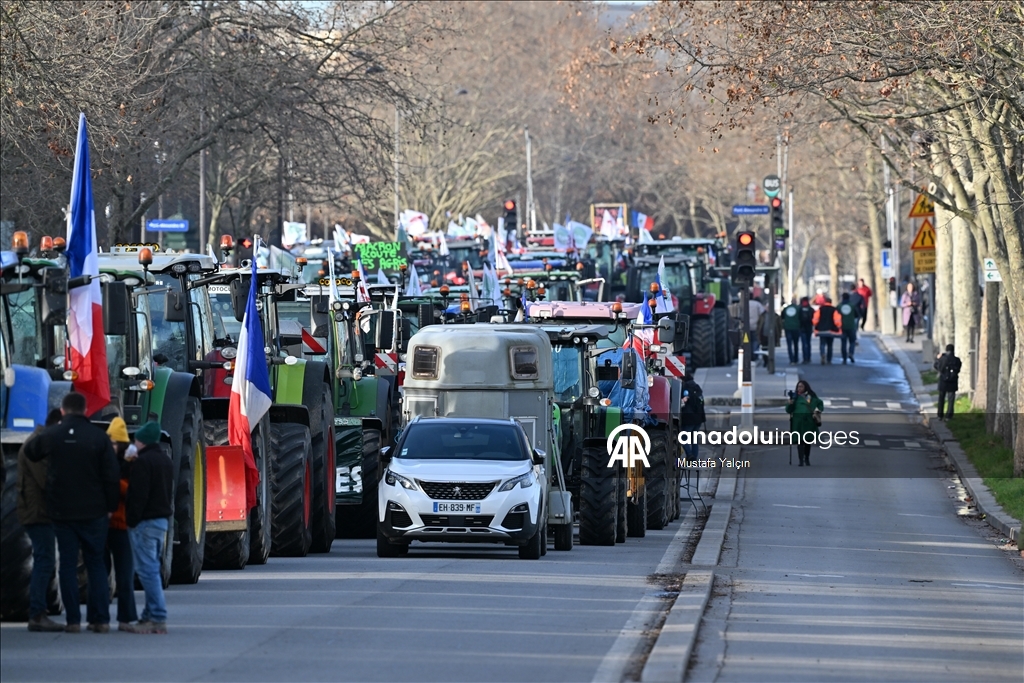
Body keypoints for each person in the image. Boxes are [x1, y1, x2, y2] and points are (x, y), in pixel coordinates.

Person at [24, 392, 119, 634]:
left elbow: (31, 452)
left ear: (63, 412)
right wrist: (110, 507)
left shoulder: (52, 435)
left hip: (62, 511)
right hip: (95, 511)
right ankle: (100, 620)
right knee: (96, 562)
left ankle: (74, 621)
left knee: (66, 564)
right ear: (86, 410)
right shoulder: (99, 437)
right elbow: (111, 476)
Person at [123, 421, 174, 634]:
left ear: (141, 441)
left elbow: (138, 495)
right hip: (161, 521)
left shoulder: (143, 463)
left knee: (148, 571)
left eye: (135, 440)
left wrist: (131, 520)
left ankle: (158, 617)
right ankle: (147, 616)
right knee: (152, 566)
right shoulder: (164, 460)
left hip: (145, 522)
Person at [16, 409, 64, 632]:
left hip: (38, 511)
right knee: (44, 561)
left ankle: (39, 611)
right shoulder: (37, 445)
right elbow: (46, 479)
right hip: (38, 513)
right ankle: (37, 613)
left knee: (43, 560)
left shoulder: (39, 441)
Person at [105, 417, 139, 631]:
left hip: (122, 526)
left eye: (115, 443)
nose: (112, 446)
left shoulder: (132, 465)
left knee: (125, 575)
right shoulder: (106, 461)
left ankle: (125, 618)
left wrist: (114, 484)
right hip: (107, 525)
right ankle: (100, 617)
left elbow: (132, 491)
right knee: (102, 572)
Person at [786, 380, 824, 466]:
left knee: (807, 442)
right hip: (797, 423)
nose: (799, 388)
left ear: (805, 387)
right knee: (800, 441)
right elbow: (788, 410)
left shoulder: (810, 397)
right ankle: (801, 460)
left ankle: (806, 458)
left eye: (801, 386)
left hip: (808, 422)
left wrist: (817, 411)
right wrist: (790, 404)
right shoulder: (794, 397)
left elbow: (819, 404)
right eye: (798, 386)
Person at [678, 372, 705, 458]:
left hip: (689, 418)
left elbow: (683, 401)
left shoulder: (685, 387)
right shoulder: (697, 387)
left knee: (682, 438)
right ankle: (694, 458)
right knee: (694, 439)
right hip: (699, 418)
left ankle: (689, 454)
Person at [934, 345, 962, 421]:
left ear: (946, 350)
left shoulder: (942, 359)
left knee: (941, 398)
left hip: (943, 381)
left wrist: (938, 359)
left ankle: (940, 415)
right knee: (951, 399)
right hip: (952, 381)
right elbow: (958, 369)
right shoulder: (957, 360)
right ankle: (949, 416)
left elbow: (936, 366)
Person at [812, 296, 841, 364]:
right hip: (831, 330)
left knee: (822, 344)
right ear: (831, 302)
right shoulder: (834, 309)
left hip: (821, 330)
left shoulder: (820, 309)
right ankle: (829, 359)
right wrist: (838, 327)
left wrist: (816, 325)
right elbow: (837, 320)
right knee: (830, 345)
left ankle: (822, 354)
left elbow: (815, 318)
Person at [837, 292, 860, 364]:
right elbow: (857, 315)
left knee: (843, 343)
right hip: (851, 326)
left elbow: (836, 315)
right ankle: (851, 353)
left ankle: (844, 358)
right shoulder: (852, 305)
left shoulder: (839, 306)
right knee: (852, 341)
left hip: (842, 326)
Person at [781, 298, 801, 364]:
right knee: (796, 344)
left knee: (789, 345)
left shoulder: (786, 308)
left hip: (788, 327)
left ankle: (791, 359)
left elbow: (782, 317)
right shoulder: (798, 308)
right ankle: (796, 359)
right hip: (796, 328)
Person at [747, 292, 766, 358]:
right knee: (755, 340)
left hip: (747, 326)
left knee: (747, 341)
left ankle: (748, 354)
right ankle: (754, 354)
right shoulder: (757, 304)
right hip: (756, 326)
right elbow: (763, 313)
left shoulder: (744, 304)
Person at [798, 297, 814, 364]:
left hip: (802, 328)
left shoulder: (799, 309)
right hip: (809, 328)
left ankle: (805, 358)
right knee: (808, 343)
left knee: (804, 343)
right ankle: (809, 357)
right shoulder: (811, 309)